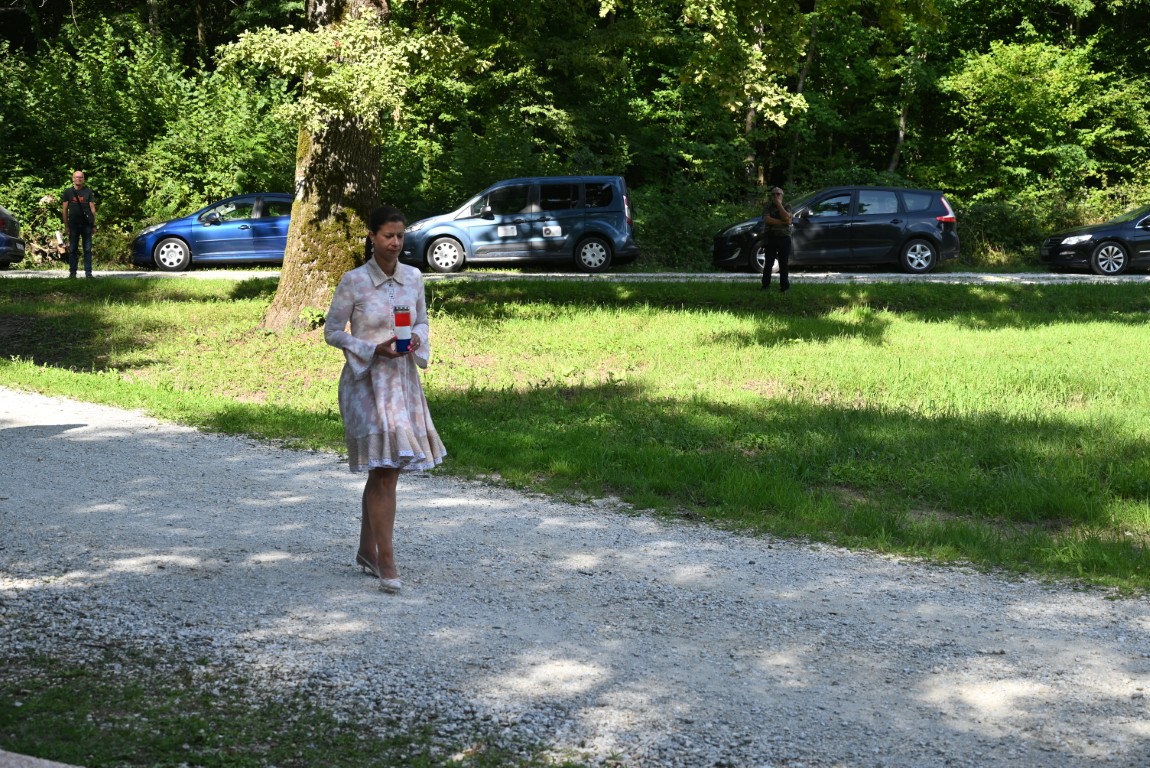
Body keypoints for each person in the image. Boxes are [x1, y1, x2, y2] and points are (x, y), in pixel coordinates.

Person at [324, 206, 446, 594]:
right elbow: (332, 331)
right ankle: (387, 561)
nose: (395, 243)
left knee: (384, 469)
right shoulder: (354, 281)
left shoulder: (414, 277)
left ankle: (368, 551)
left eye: (400, 236)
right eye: (388, 236)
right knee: (385, 469)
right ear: (372, 237)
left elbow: (422, 321)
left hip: (402, 383)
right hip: (366, 384)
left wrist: (417, 339)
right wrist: (371, 348)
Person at [61, 170, 97, 278]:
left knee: (87, 250)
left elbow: (92, 209)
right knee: (72, 249)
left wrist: (93, 225)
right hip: (73, 225)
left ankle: (88, 273)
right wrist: (66, 226)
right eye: (76, 177)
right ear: (73, 179)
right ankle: (72, 273)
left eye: (81, 177)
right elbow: (64, 210)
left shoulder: (88, 191)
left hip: (86, 225)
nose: (79, 179)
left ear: (83, 179)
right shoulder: (68, 192)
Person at [760, 186, 793, 293]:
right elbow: (767, 220)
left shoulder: (787, 206)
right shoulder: (767, 206)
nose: (775, 196)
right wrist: (783, 222)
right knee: (768, 263)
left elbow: (787, 217)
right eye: (773, 194)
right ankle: (765, 286)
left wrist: (779, 205)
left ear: (782, 196)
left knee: (783, 264)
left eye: (778, 194)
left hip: (784, 238)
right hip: (771, 237)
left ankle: (784, 287)